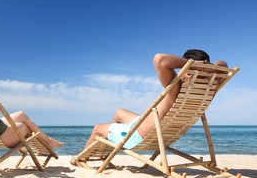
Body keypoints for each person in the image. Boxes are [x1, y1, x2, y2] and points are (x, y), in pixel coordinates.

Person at [79, 49, 228, 153]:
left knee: (98, 128)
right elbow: (223, 64)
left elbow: (160, 59)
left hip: (138, 136)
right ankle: (109, 147)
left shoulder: (176, 88)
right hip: (152, 128)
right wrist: (208, 67)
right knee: (119, 112)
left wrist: (191, 65)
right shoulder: (211, 88)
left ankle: (83, 159)